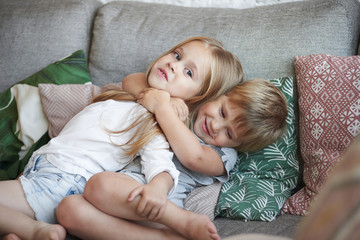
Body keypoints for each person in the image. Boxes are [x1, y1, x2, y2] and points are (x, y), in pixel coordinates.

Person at [0, 36, 244, 240]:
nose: (173, 65)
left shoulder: (155, 119)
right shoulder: (138, 99)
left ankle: (32, 231)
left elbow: (159, 158)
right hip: (47, 173)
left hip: (64, 178)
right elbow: (133, 79)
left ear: (198, 98)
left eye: (188, 72)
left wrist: (159, 185)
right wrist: (166, 100)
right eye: (177, 56)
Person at [56, 78, 289, 240]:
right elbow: (132, 81)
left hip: (157, 208)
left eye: (229, 134)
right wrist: (165, 98)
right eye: (222, 112)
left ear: (239, 146)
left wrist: (163, 109)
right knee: (68, 210)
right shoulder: (184, 109)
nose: (215, 126)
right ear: (221, 95)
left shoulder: (223, 156)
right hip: (118, 203)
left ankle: (183, 222)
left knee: (100, 184)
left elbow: (193, 157)